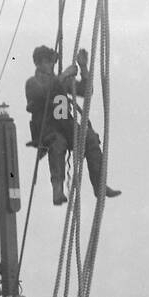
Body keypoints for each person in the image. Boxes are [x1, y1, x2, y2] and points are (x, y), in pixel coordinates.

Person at [25, 44, 121, 205]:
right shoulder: (33, 82)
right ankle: (57, 189)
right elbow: (44, 92)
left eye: (50, 62)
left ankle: (99, 185)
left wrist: (83, 67)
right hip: (47, 128)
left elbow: (86, 91)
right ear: (39, 64)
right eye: (46, 62)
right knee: (58, 144)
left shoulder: (60, 80)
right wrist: (63, 76)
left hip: (66, 125)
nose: (50, 65)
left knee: (90, 138)